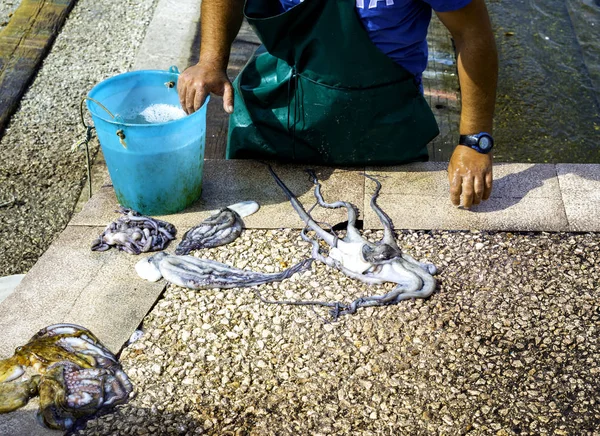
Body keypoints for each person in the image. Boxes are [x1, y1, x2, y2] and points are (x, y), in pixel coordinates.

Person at [178, 0, 498, 209]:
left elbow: (472, 33)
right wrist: (210, 60)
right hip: (276, 110)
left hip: (384, 122)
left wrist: (475, 141)